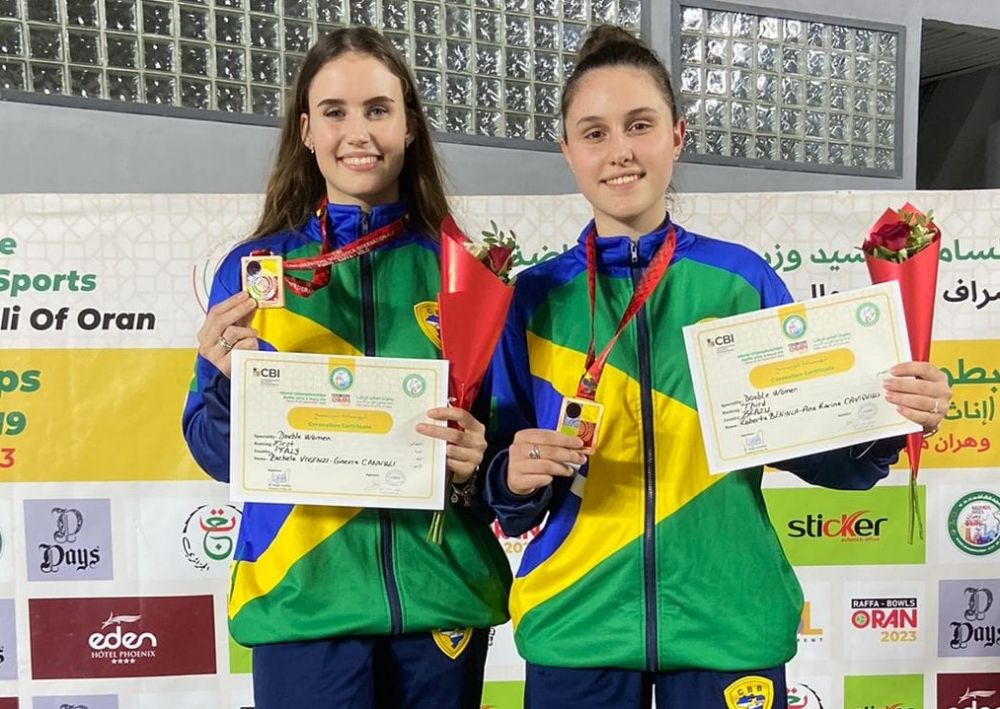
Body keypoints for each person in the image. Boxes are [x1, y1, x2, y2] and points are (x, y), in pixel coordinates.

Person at [483, 25, 951, 709]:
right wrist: (511, 473)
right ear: (567, 152)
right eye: (594, 133)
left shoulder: (741, 280)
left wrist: (889, 417)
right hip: (576, 624)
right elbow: (503, 483)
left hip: (728, 622)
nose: (619, 151)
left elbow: (829, 458)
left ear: (676, 134)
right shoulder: (533, 296)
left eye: (639, 125)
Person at [181, 27, 511, 709]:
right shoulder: (256, 272)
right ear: (306, 130)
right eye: (334, 111)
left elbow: (501, 449)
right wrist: (218, 382)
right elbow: (216, 452)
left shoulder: (462, 271)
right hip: (305, 598)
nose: (357, 131)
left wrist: (480, 457)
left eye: (377, 109)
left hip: (438, 595)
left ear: (410, 125)